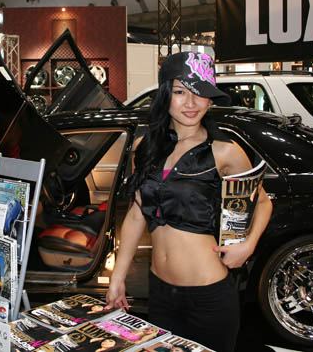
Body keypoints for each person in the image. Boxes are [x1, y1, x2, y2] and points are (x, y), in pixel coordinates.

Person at [106, 52, 273, 352]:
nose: (191, 103)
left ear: (210, 100)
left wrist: (247, 246)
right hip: (160, 293)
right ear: (165, 95)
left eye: (200, 93)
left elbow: (262, 203)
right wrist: (118, 276)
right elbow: (136, 215)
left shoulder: (224, 151)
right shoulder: (146, 147)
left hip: (209, 297)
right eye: (180, 92)